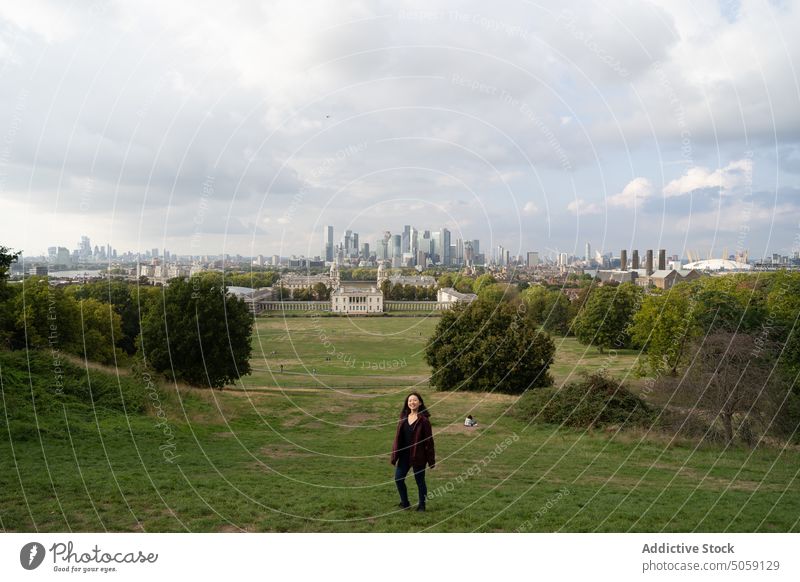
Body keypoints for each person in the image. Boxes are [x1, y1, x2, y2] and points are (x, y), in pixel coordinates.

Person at [391, 392, 436, 511]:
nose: (412, 402)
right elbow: (397, 438)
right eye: (410, 400)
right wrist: (395, 454)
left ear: (420, 403)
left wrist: (431, 461)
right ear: (407, 403)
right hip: (404, 456)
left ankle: (422, 505)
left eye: (415, 400)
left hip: (418, 456)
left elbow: (429, 442)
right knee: (398, 479)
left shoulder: (424, 421)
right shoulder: (403, 418)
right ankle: (405, 503)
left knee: (420, 481)